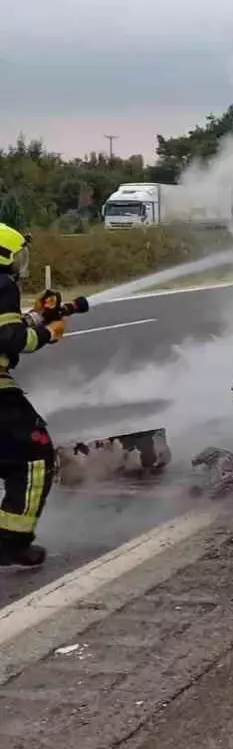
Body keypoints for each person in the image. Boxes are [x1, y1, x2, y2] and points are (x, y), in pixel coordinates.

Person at [0, 224, 67, 568]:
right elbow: (9, 339)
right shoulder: (1, 284)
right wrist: (47, 335)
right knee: (34, 456)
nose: (18, 266)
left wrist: (38, 317)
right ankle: (11, 542)